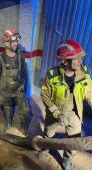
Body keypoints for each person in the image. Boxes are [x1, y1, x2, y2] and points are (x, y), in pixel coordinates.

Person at [40, 39, 92, 170]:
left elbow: (90, 92)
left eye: (80, 57)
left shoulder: (84, 72)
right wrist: (56, 113)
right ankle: (45, 146)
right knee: (49, 132)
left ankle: (67, 159)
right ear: (65, 61)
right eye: (77, 58)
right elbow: (45, 95)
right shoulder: (52, 75)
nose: (81, 61)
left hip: (74, 111)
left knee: (74, 139)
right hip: (55, 110)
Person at [0, 28, 29, 137]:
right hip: (5, 90)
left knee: (24, 108)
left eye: (16, 41)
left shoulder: (20, 55)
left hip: (18, 89)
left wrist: (22, 86)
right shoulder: (0, 59)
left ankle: (23, 127)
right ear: (6, 43)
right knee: (7, 108)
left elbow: (23, 72)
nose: (16, 43)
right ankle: (8, 121)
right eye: (13, 41)